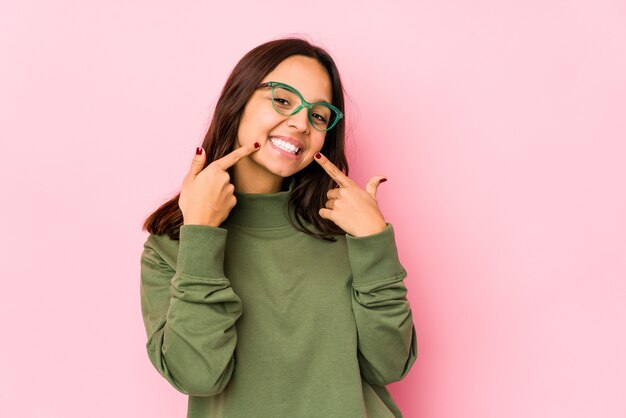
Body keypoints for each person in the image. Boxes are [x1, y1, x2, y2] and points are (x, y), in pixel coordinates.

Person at [140, 37, 417, 418]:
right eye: (283, 100)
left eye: (318, 115)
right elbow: (198, 376)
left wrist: (374, 242)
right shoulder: (172, 243)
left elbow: (389, 366)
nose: (302, 123)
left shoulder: (345, 227)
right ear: (236, 101)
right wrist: (201, 234)